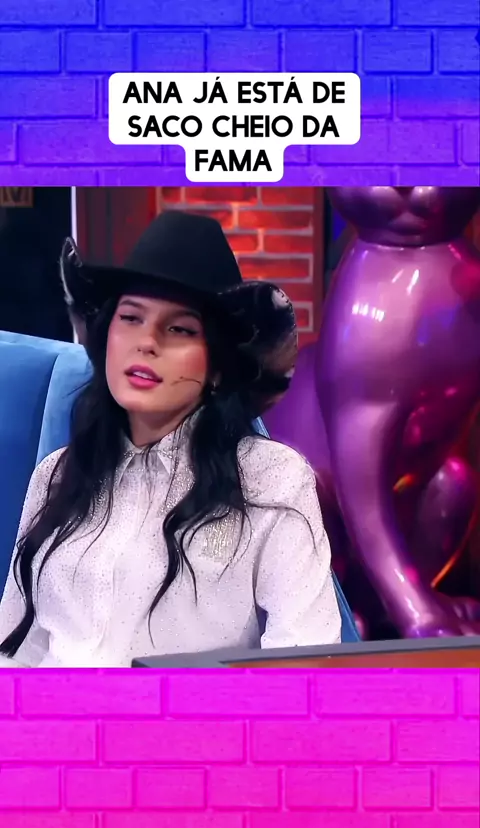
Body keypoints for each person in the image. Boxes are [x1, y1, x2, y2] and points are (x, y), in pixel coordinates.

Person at [0, 211, 341, 668]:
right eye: (130, 318)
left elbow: (303, 660)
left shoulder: (270, 479)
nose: (147, 342)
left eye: (179, 329)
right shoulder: (57, 473)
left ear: (217, 366)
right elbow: (16, 651)